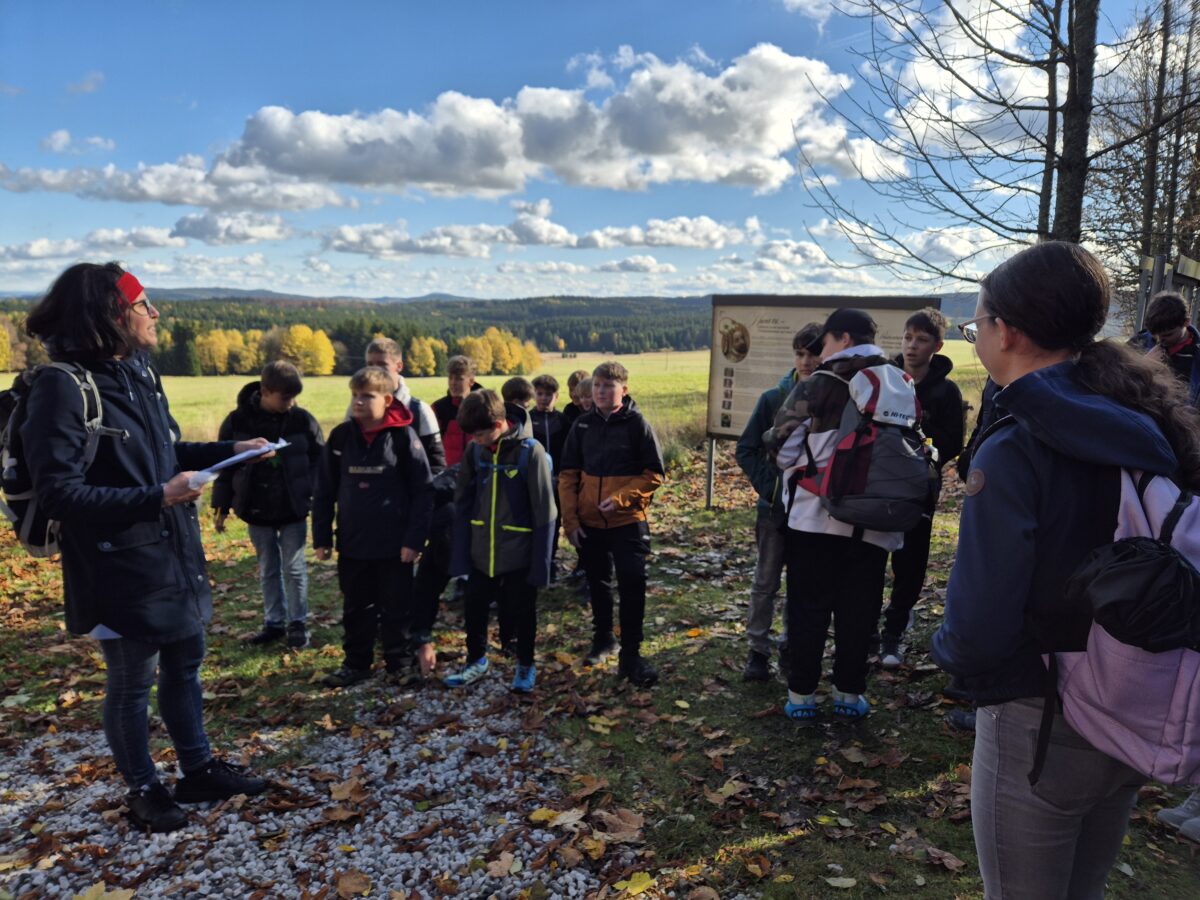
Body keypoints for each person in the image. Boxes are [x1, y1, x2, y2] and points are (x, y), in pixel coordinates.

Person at [930, 241, 1200, 897]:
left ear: (1009, 332)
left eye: (976, 327)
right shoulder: (1138, 412)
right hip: (1133, 696)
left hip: (1041, 716)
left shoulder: (1022, 440)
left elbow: (981, 619)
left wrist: (956, 660)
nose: (974, 341)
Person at [20, 262, 270, 833]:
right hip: (116, 564)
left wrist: (232, 449)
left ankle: (198, 768)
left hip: (170, 553)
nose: (155, 314)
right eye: (143, 305)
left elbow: (167, 452)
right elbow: (60, 493)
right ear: (111, 315)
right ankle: (142, 788)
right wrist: (158, 497)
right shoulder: (63, 386)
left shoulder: (139, 373)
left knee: (186, 663)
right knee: (132, 681)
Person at [765, 309, 909, 721]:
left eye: (825, 342)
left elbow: (781, 446)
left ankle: (802, 696)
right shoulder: (898, 381)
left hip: (815, 519)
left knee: (808, 608)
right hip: (877, 520)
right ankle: (849, 694)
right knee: (860, 610)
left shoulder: (822, 384)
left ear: (842, 338)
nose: (820, 351)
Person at [313, 367, 434, 687]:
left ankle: (400, 665)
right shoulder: (340, 437)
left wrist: (414, 539)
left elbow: (423, 490)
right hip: (353, 543)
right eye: (354, 395)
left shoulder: (402, 436)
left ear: (387, 399)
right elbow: (324, 490)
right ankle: (356, 664)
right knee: (356, 607)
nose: (359, 402)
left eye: (367, 396)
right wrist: (322, 536)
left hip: (395, 545)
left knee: (397, 608)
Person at [558, 362, 665, 687]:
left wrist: (620, 498)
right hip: (589, 523)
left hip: (627, 520)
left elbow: (654, 475)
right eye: (597, 386)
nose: (601, 391)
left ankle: (631, 655)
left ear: (624, 389)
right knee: (597, 583)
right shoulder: (582, 427)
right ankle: (603, 639)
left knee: (632, 582)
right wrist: (571, 520)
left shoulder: (637, 425)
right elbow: (567, 476)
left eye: (608, 386)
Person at [444, 390, 556, 692]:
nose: (476, 439)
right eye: (472, 435)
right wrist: (460, 557)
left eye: (480, 434)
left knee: (522, 612)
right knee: (475, 608)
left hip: (519, 554)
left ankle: (525, 665)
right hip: (481, 552)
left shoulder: (530, 452)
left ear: (499, 423)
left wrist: (541, 566)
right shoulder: (474, 452)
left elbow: (545, 511)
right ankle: (476, 660)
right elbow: (463, 503)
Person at [213, 360, 325, 650]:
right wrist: (221, 506)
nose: (291, 403)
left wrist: (312, 490)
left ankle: (297, 622)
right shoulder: (237, 422)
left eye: (294, 397)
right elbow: (225, 467)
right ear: (265, 391)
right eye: (285, 398)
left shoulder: (303, 421)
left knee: (295, 566)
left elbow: (319, 461)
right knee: (268, 568)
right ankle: (274, 622)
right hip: (256, 506)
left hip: (293, 507)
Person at [735, 323, 822, 681]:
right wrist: (772, 488)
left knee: (803, 585)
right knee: (766, 582)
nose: (806, 361)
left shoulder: (832, 400)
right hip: (774, 511)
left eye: (813, 353)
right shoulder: (774, 398)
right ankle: (758, 650)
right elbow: (747, 448)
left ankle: (791, 647)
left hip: (813, 511)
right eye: (800, 353)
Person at [879, 308, 965, 667]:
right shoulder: (882, 380)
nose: (912, 346)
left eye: (922, 339)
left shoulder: (946, 392)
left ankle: (894, 631)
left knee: (910, 564)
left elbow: (952, 442)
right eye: (907, 337)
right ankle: (867, 628)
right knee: (870, 560)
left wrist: (919, 448)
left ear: (938, 345)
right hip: (878, 488)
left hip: (918, 492)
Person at [363, 337, 446, 469]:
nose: (375, 372)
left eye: (382, 365)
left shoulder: (420, 411)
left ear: (399, 366)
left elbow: (436, 465)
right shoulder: (358, 409)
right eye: (370, 365)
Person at [529, 374, 568, 577]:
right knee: (534, 521)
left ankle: (550, 561)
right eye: (540, 393)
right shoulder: (528, 419)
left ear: (557, 396)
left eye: (548, 394)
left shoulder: (563, 421)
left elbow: (570, 451)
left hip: (559, 481)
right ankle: (534, 561)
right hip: (535, 482)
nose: (544, 398)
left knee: (555, 520)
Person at [1133, 291, 1200, 405]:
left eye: (1167, 335)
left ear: (1186, 322)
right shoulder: (1140, 341)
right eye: (1154, 334)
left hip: (1181, 419)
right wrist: (1143, 365)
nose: (1160, 340)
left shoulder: (1197, 355)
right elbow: (1116, 380)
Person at [432, 355, 482, 466]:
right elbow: (431, 447)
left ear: (471, 381)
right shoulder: (438, 408)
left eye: (459, 378)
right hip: (448, 474)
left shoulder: (484, 406)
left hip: (479, 472)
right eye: (450, 378)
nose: (453, 383)